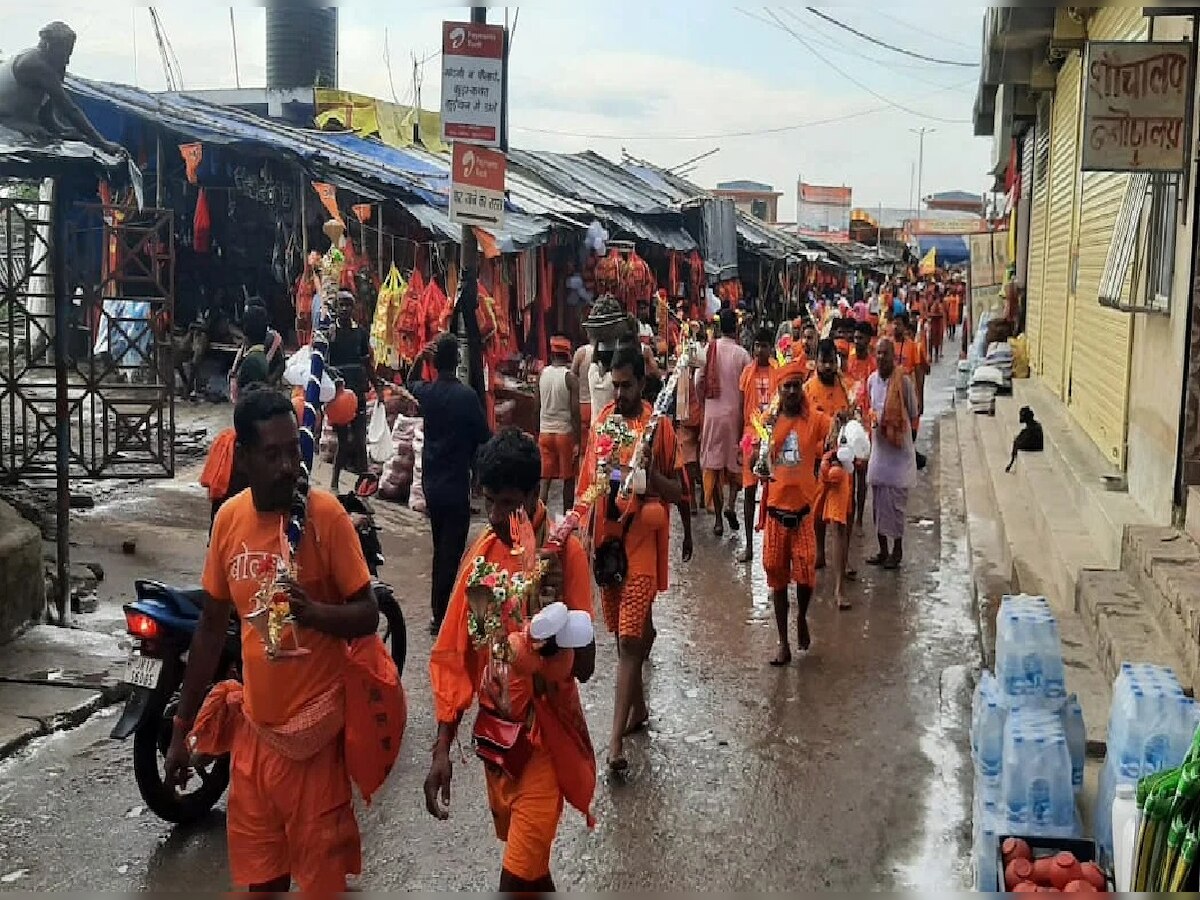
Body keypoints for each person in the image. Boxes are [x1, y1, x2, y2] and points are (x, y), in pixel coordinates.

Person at [163, 389, 382, 893]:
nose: (289, 466)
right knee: (260, 886)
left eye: (293, 451)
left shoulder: (324, 518)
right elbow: (212, 629)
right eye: (273, 455)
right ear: (243, 459)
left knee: (320, 887)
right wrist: (181, 728)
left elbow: (368, 613)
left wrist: (313, 612)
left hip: (315, 748)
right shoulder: (228, 522)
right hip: (255, 743)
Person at [424, 429, 596, 892]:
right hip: (498, 745)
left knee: (514, 881)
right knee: (531, 877)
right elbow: (455, 652)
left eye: (508, 504)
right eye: (489, 502)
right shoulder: (482, 553)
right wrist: (443, 746)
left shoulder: (564, 555)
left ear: (534, 494)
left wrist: (553, 626)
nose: (497, 517)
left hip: (544, 742)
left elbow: (586, 665)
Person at [578, 347, 682, 771]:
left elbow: (678, 491)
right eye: (614, 385)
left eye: (626, 385)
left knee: (626, 642)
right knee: (630, 633)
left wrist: (648, 478)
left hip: (640, 545)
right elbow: (588, 483)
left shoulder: (660, 429)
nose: (619, 393)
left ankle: (615, 744)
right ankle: (637, 711)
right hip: (608, 545)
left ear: (643, 383)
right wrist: (581, 532)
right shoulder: (602, 423)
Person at [409, 334, 492, 634]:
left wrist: (420, 359)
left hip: (431, 484)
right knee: (452, 553)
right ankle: (444, 615)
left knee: (440, 548)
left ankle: (439, 612)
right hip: (457, 484)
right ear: (457, 361)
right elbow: (485, 436)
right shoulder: (467, 397)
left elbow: (410, 384)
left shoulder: (428, 394)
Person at [758, 359, 832, 666]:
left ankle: (801, 616)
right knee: (776, 580)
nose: (791, 391)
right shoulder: (769, 422)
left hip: (803, 513)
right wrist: (756, 458)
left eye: (795, 386)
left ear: (802, 388)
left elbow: (834, 433)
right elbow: (754, 454)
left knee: (805, 578)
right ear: (779, 389)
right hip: (775, 512)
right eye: (786, 386)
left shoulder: (814, 419)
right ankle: (782, 642)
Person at [0, 22, 123, 154]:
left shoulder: (55, 65)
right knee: (40, 139)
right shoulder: (35, 64)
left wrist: (66, 131)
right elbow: (69, 109)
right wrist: (103, 144)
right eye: (64, 54)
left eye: (69, 55)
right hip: (5, 122)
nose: (67, 61)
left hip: (21, 121)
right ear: (47, 46)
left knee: (66, 138)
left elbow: (47, 117)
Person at [696, 309, 750, 536]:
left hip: (712, 415)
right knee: (736, 463)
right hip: (734, 416)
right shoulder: (742, 354)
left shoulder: (709, 349)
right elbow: (748, 385)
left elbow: (698, 380)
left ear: (719, 328)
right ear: (736, 329)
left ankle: (718, 519)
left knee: (714, 465)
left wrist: (703, 405)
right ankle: (730, 504)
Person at [866, 339, 919, 570]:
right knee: (878, 503)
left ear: (893, 358)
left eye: (885, 354)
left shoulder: (903, 381)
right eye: (877, 353)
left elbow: (914, 410)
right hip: (879, 451)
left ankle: (897, 550)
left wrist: (894, 422)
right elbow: (868, 407)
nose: (880, 358)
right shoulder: (871, 381)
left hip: (898, 453)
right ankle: (882, 550)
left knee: (896, 506)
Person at [804, 340, 852, 573]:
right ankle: (820, 551)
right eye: (824, 362)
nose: (828, 366)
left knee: (843, 515)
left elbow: (856, 416)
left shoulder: (847, 387)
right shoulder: (807, 390)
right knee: (817, 512)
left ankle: (844, 561)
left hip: (843, 459)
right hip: (816, 460)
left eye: (832, 361)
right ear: (816, 362)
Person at [328, 290, 379, 492]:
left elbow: (368, 364)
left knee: (359, 441)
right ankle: (334, 482)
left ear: (353, 307)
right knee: (343, 441)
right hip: (339, 395)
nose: (344, 309)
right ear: (336, 307)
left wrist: (377, 387)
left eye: (348, 304)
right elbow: (322, 362)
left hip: (357, 392)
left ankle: (363, 487)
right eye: (341, 304)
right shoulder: (331, 333)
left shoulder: (361, 334)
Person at [736, 327, 776, 564]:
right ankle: (749, 546)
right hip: (750, 437)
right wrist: (737, 440)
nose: (760, 350)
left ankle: (771, 546)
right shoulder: (747, 373)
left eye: (765, 345)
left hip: (772, 436)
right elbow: (741, 408)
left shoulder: (777, 372)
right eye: (757, 345)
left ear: (770, 349)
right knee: (749, 492)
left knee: (772, 493)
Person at [536, 336, 581, 514]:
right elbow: (575, 411)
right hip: (564, 434)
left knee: (545, 479)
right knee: (568, 479)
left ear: (552, 354)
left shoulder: (542, 374)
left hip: (545, 432)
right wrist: (578, 440)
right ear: (567, 355)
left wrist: (536, 429)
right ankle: (566, 517)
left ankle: (538, 517)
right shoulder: (570, 378)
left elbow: (536, 404)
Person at [675, 323, 705, 509]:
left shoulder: (686, 363)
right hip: (696, 415)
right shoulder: (700, 360)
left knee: (690, 460)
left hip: (688, 415)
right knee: (698, 459)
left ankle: (694, 498)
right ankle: (699, 498)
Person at [927, 288, 946, 363]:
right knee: (931, 341)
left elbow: (941, 314)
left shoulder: (938, 305)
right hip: (932, 325)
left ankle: (936, 355)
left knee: (936, 341)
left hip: (937, 325)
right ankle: (932, 356)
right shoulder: (931, 305)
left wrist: (931, 315)